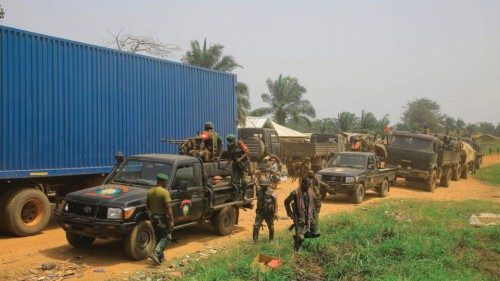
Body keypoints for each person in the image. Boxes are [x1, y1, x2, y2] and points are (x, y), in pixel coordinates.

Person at [146, 173, 174, 265]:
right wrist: (171, 220)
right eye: (165, 181)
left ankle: (160, 258)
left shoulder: (150, 191)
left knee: (159, 236)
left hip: (153, 217)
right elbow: (168, 207)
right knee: (167, 237)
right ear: (162, 181)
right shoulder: (164, 192)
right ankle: (155, 253)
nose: (166, 183)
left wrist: (152, 216)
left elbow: (147, 206)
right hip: (162, 218)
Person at [284, 177, 317, 251]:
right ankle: (297, 250)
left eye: (309, 185)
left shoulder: (310, 191)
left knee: (316, 233)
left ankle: (298, 236)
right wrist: (290, 213)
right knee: (300, 238)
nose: (309, 187)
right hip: (299, 217)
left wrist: (315, 216)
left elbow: (314, 203)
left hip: (309, 216)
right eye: (307, 185)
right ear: (302, 183)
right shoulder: (295, 193)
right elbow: (286, 202)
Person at [252, 178, 278, 243]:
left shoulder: (272, 191)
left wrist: (275, 213)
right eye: (261, 185)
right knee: (256, 226)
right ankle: (255, 241)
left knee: (271, 227)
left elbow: (276, 203)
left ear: (267, 185)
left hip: (269, 213)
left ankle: (271, 240)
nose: (262, 186)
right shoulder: (258, 191)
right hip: (260, 212)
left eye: (263, 185)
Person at [307, 170, 328, 236]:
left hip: (310, 200)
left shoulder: (307, 181)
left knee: (311, 213)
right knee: (315, 214)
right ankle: (314, 228)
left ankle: (310, 226)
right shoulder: (315, 181)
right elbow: (324, 184)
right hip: (315, 199)